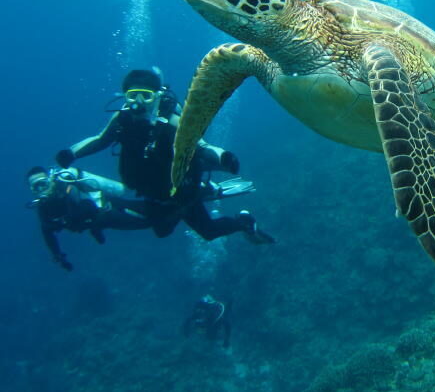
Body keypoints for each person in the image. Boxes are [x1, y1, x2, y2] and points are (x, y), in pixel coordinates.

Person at [55, 67, 275, 245]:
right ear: (124, 96)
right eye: (132, 95)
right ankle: (207, 193)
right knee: (161, 231)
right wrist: (71, 153)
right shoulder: (122, 119)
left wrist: (224, 157)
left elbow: (202, 146)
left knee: (208, 231)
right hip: (152, 192)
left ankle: (242, 221)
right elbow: (100, 139)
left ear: (157, 96)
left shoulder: (172, 122)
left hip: (180, 192)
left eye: (146, 95)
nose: (138, 102)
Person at [26, 165, 153, 271]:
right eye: (36, 187)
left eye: (43, 183)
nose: (41, 189)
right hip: (96, 223)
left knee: (150, 217)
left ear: (50, 181)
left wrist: (67, 220)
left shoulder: (65, 188)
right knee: (149, 222)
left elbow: (88, 206)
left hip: (106, 209)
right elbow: (47, 233)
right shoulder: (43, 208)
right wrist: (59, 257)